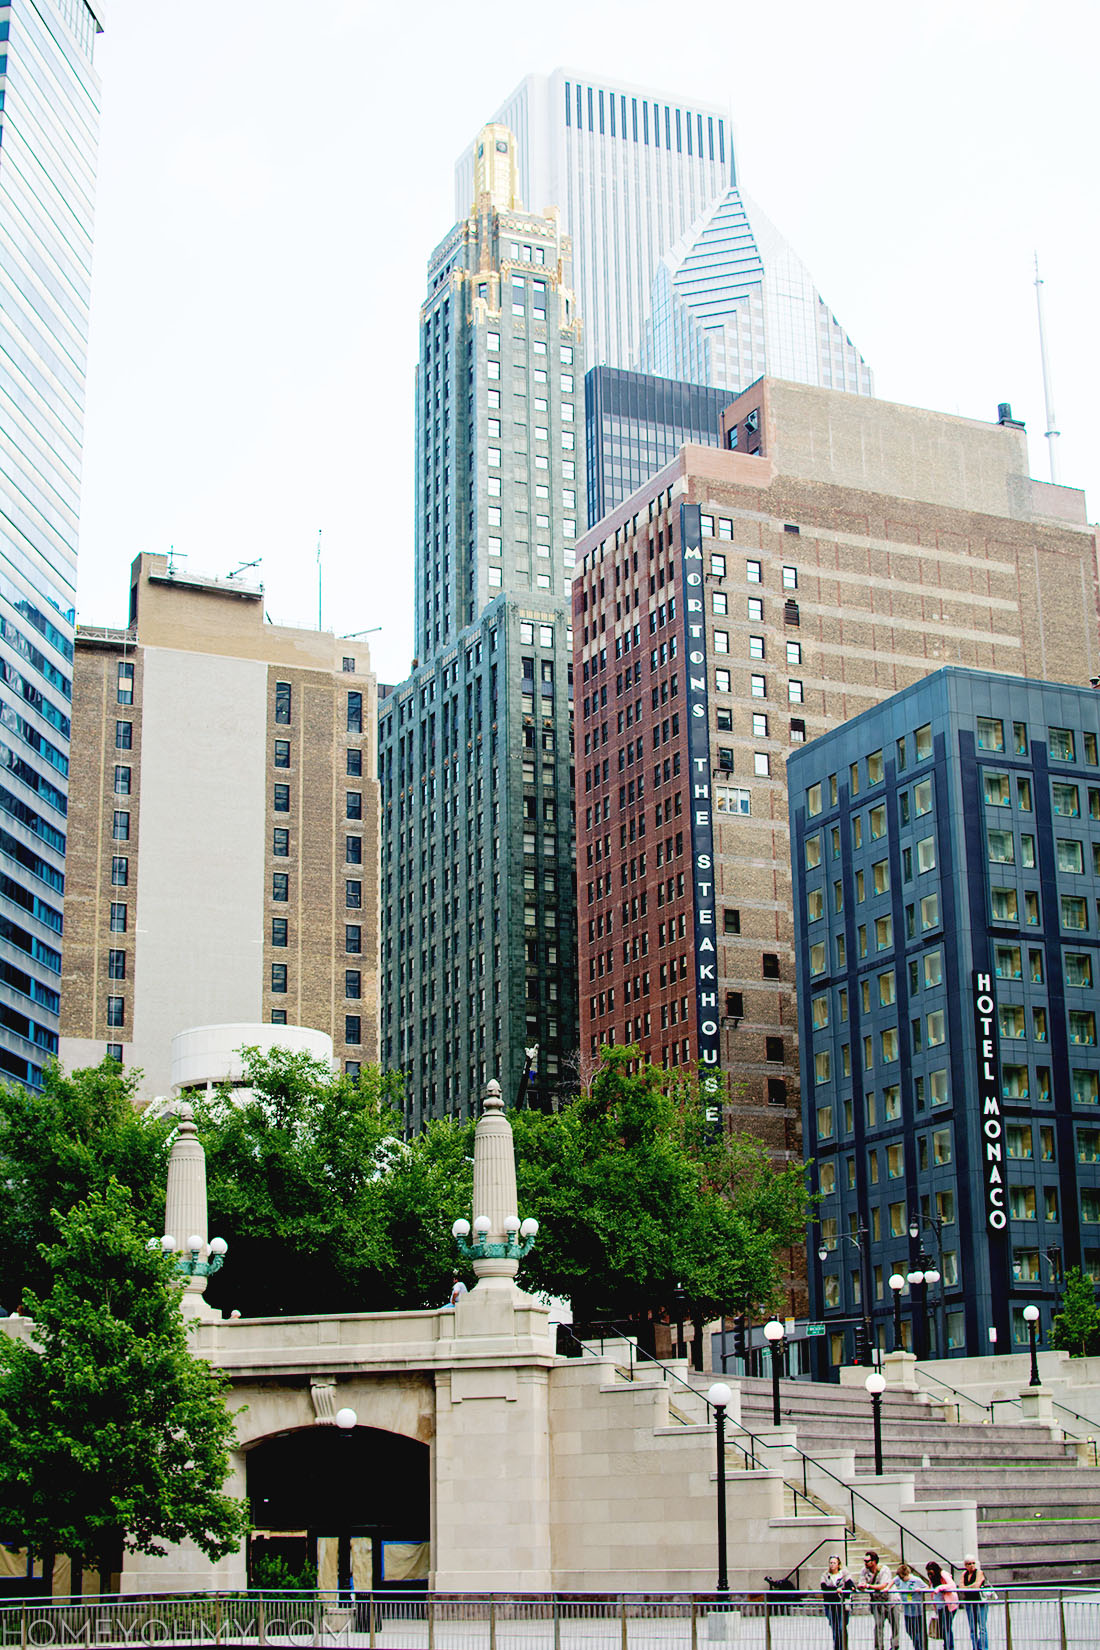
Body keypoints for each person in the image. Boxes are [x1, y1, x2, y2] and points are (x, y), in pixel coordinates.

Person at [859, 1550, 900, 1650]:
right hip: (877, 1602)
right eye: (864, 1560)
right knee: (878, 1626)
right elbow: (861, 1583)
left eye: (867, 1561)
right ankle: (878, 1648)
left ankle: (895, 1646)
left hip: (891, 1601)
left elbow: (883, 1585)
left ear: (873, 1562)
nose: (865, 1563)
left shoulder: (884, 1570)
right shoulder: (864, 1571)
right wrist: (861, 1586)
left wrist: (868, 1586)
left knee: (895, 1626)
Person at [820, 1554, 854, 1650]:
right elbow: (824, 1587)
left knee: (841, 1627)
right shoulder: (825, 1575)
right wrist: (836, 1589)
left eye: (834, 1563)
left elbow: (849, 1583)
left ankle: (843, 1647)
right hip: (831, 1605)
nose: (832, 1565)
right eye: (830, 1563)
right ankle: (837, 1647)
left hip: (842, 1604)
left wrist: (851, 1587)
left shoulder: (844, 1573)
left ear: (838, 1564)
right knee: (835, 1628)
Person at [925, 1562, 958, 1650]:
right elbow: (931, 1587)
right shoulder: (932, 1578)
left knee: (946, 1626)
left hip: (948, 1605)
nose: (930, 1574)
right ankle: (947, 1645)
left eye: (931, 1572)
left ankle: (949, 1647)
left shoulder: (943, 1574)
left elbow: (952, 1585)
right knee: (943, 1627)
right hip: (939, 1606)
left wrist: (940, 1588)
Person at [957, 1556, 988, 1650]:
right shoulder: (964, 1574)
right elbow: (960, 1586)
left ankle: (983, 1648)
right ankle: (975, 1647)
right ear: (965, 1565)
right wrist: (970, 1587)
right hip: (969, 1602)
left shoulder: (979, 1572)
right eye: (969, 1564)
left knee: (982, 1628)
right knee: (972, 1628)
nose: (972, 1566)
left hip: (979, 1602)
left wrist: (967, 1587)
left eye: (973, 1563)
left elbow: (977, 1585)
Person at [895, 1563, 928, 1650]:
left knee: (918, 1634)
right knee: (909, 1631)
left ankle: (919, 1647)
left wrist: (920, 1590)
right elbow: (894, 1581)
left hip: (917, 1612)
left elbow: (927, 1587)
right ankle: (917, 1645)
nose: (902, 1579)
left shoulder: (916, 1580)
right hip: (907, 1611)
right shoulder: (900, 1580)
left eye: (903, 1577)